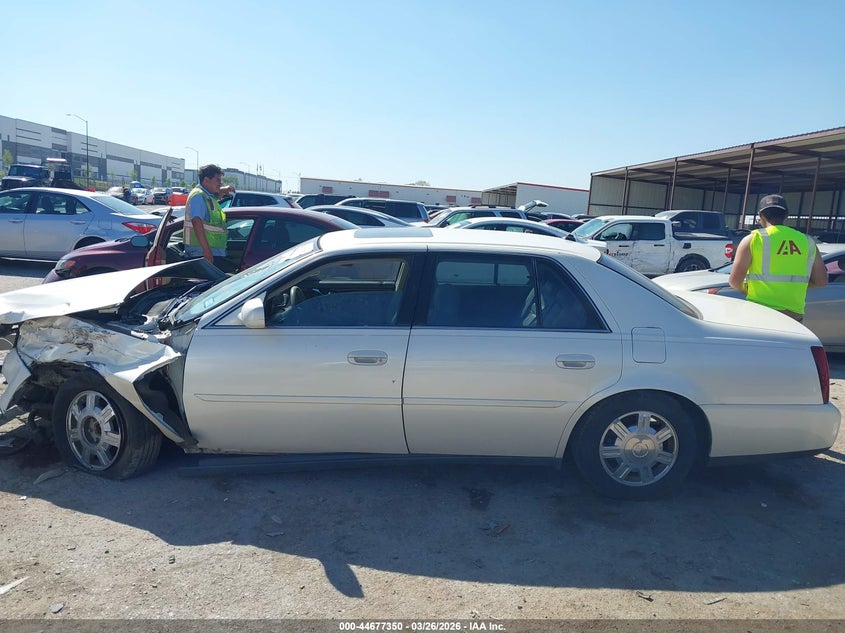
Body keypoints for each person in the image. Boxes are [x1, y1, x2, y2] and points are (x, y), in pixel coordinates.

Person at [728, 194, 827, 321]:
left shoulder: (753, 239)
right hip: (793, 316)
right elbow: (821, 281)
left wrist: (747, 289)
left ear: (760, 215)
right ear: (786, 215)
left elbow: (734, 281)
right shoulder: (807, 241)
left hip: (759, 313)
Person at [184, 164, 235, 271]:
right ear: (206, 180)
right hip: (202, 253)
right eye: (218, 180)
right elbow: (196, 221)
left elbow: (213, 198)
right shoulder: (198, 196)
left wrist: (221, 190)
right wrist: (206, 250)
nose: (220, 183)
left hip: (210, 252)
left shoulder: (207, 196)